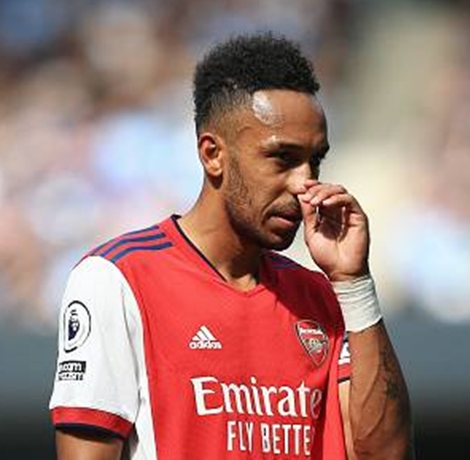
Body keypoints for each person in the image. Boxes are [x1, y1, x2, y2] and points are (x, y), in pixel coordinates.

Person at [49, 33, 413, 459]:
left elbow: (387, 455)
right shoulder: (118, 279)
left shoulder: (325, 298)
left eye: (315, 160)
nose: (305, 183)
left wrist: (354, 283)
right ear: (212, 154)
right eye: (282, 158)